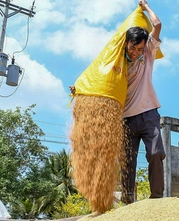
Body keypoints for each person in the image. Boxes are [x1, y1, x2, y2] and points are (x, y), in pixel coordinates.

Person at [69, 0, 165, 205]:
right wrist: (80, 90)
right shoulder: (116, 64)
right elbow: (97, 77)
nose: (136, 52)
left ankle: (157, 198)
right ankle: (128, 201)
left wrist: (145, 7)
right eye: (133, 48)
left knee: (156, 153)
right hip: (127, 119)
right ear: (126, 44)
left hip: (148, 113)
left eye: (139, 48)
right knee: (127, 161)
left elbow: (157, 26)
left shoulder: (147, 56)